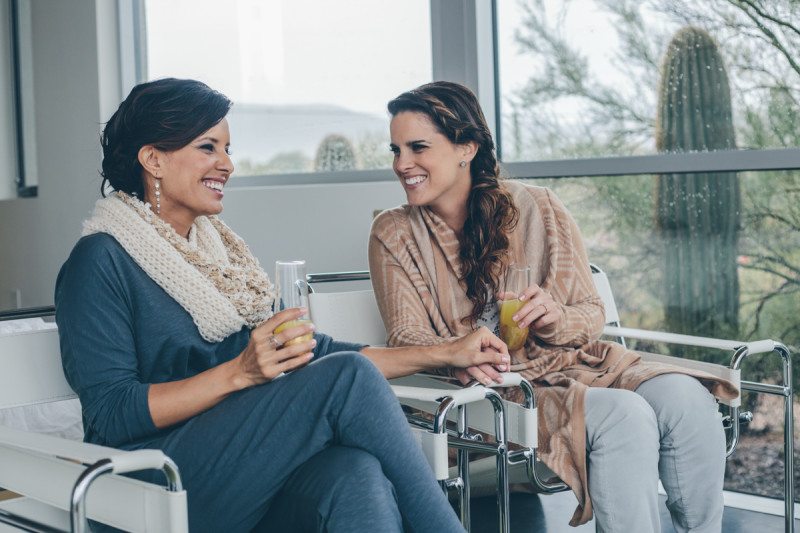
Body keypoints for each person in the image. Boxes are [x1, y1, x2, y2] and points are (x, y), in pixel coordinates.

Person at [55, 78, 511, 533]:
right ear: (153, 159)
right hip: (149, 482)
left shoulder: (220, 261)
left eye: (228, 149)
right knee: (347, 377)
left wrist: (448, 352)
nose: (227, 164)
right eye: (208, 148)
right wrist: (240, 373)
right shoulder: (100, 259)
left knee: (354, 474)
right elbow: (112, 414)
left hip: (236, 469)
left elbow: (320, 351)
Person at [369, 81, 739, 533]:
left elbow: (590, 312)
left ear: (466, 147)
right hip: (495, 393)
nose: (401, 164)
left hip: (578, 363)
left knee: (689, 400)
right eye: (396, 149)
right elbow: (405, 338)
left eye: (417, 147)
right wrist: (459, 350)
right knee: (625, 415)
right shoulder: (394, 232)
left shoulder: (539, 207)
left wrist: (555, 317)